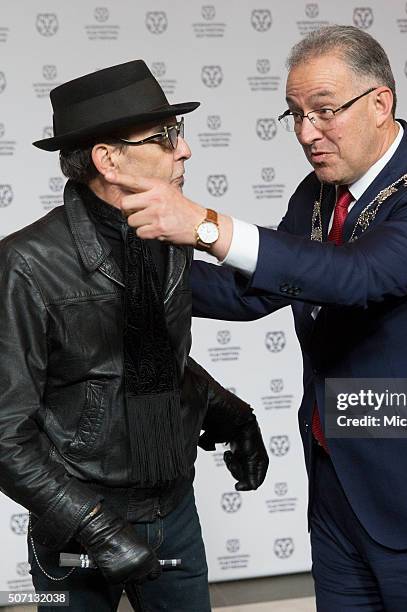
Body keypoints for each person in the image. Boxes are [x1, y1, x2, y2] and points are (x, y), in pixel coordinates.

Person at [107, 27, 407, 611]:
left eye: (323, 111)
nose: (306, 133)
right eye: (294, 115)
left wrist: (205, 226)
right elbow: (253, 293)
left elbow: (355, 277)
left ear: (380, 103)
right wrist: (112, 268)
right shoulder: (318, 194)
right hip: (344, 484)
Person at [0, 60, 269, 612]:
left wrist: (232, 414)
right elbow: (4, 434)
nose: (184, 150)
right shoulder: (26, 264)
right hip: (74, 527)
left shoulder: (166, 236)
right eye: (165, 137)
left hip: (173, 512)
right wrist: (96, 527)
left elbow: (148, 360)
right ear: (107, 159)